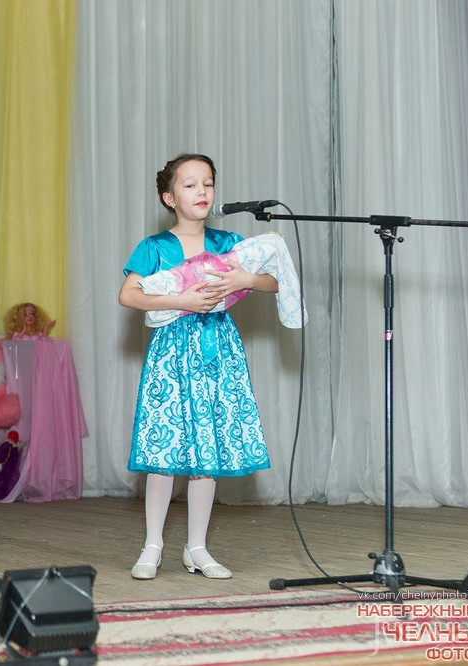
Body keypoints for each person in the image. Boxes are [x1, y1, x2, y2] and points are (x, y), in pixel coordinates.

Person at [118, 153, 277, 580]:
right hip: (172, 351)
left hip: (219, 349)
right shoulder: (155, 247)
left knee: (208, 450)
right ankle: (153, 545)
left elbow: (272, 280)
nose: (201, 191)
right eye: (189, 185)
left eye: (207, 183)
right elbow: (129, 295)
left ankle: (198, 548)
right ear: (169, 197)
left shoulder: (228, 243)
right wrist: (180, 301)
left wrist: (247, 279)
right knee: (165, 452)